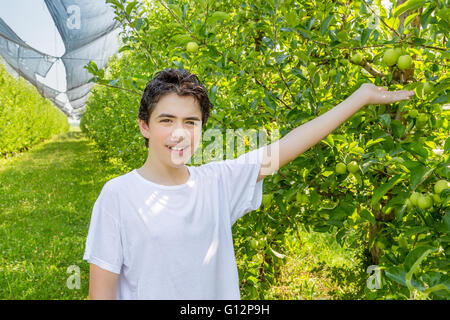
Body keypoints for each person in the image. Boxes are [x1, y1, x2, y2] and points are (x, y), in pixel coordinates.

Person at [83, 68, 414, 299]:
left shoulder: (217, 184)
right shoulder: (119, 195)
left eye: (191, 122)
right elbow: (101, 293)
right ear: (144, 126)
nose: (179, 133)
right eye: (166, 120)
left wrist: (359, 98)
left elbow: (288, 145)